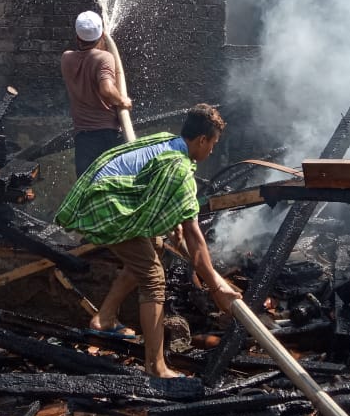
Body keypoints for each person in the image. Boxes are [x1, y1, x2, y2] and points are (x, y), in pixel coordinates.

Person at [55, 103, 242, 378]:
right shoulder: (179, 169)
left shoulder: (168, 141)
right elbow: (196, 240)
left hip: (102, 194)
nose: (212, 150)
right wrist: (216, 287)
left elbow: (154, 190)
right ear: (202, 140)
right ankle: (156, 366)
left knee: (152, 249)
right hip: (106, 206)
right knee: (153, 278)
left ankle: (104, 319)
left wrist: (173, 221)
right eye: (212, 144)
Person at [61, 11, 132, 176]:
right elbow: (106, 89)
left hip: (83, 137)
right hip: (108, 135)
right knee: (114, 186)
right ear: (100, 36)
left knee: (86, 188)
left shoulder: (66, 58)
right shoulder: (104, 58)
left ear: (77, 37)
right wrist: (123, 100)